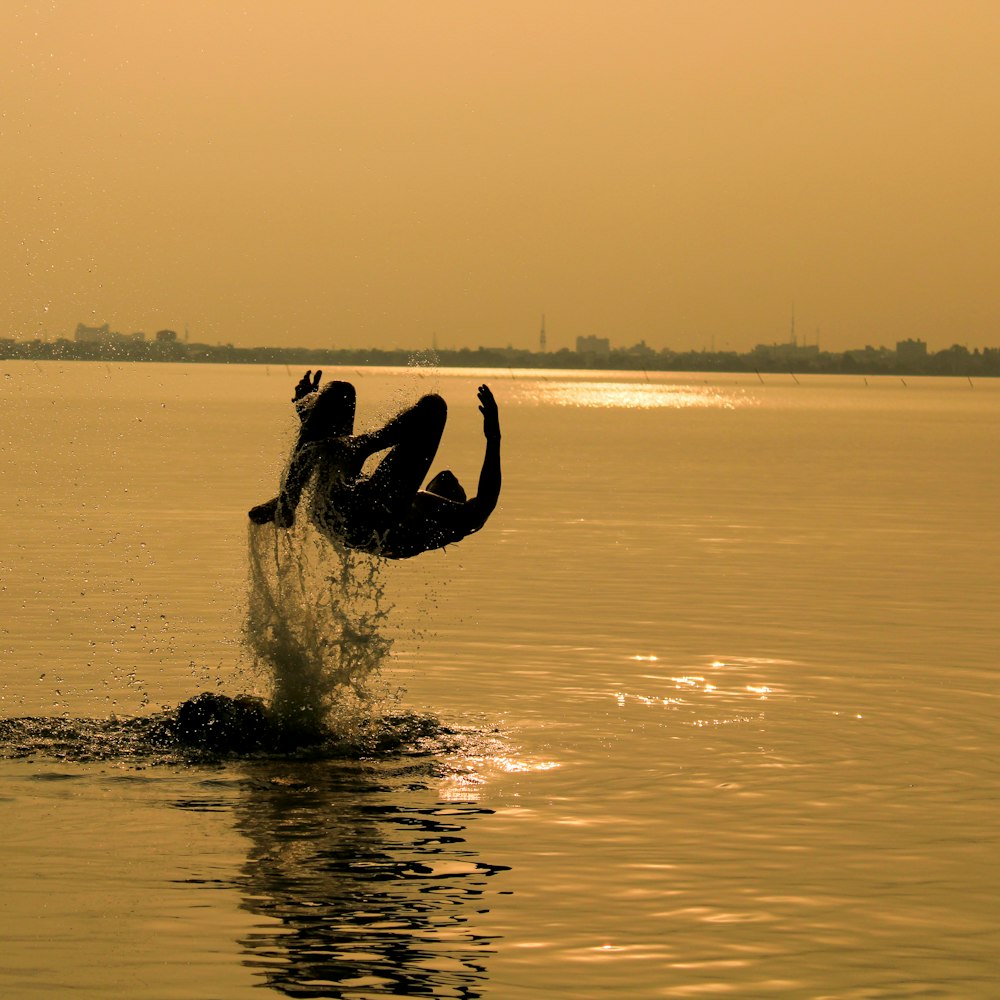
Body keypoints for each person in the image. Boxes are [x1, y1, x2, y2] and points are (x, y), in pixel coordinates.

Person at [249, 371, 501, 559]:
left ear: (451, 500)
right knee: (339, 392)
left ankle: (360, 448)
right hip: (341, 511)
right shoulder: (410, 503)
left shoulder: (445, 518)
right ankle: (287, 500)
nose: (445, 474)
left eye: (448, 485)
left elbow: (486, 500)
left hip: (364, 519)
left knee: (434, 409)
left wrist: (494, 437)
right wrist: (313, 415)